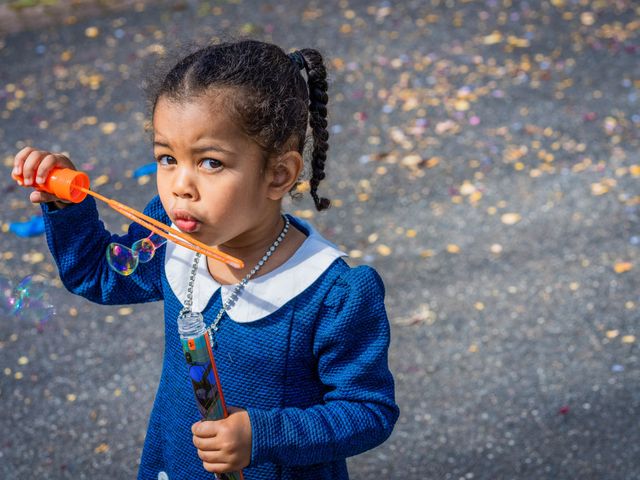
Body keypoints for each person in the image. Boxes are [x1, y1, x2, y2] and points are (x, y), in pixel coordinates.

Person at [13, 39, 399, 479]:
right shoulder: (169, 234)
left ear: (278, 175)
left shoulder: (332, 293)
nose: (180, 186)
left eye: (210, 162)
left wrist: (262, 434)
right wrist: (67, 207)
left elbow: (368, 411)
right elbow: (98, 273)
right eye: (166, 158)